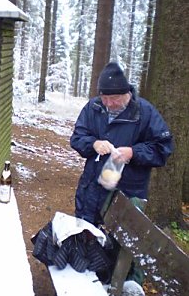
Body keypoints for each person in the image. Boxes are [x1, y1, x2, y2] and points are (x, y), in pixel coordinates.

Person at [70, 61, 173, 226]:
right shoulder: (93, 107)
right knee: (85, 238)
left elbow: (163, 148)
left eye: (114, 98)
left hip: (126, 194)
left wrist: (133, 152)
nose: (109, 104)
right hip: (90, 191)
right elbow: (77, 137)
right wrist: (93, 144)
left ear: (126, 93)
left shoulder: (145, 112)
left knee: (116, 245)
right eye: (105, 98)